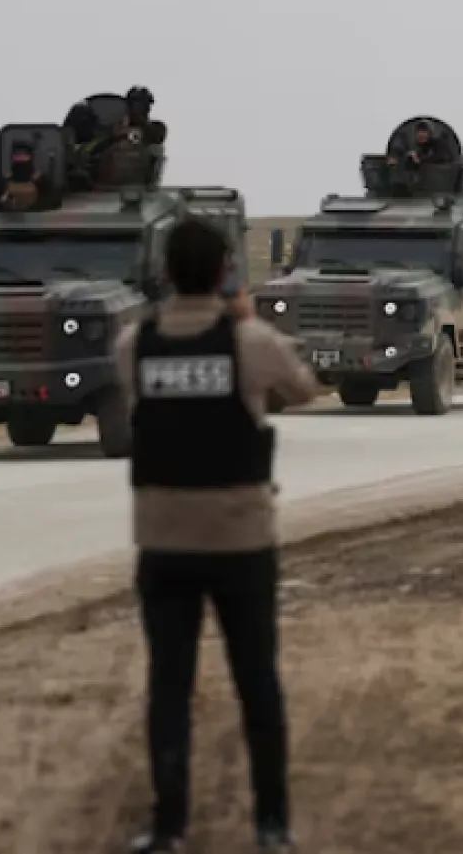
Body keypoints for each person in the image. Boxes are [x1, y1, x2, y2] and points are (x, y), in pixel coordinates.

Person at [115, 218, 317, 854]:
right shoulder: (249, 340)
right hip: (239, 539)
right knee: (257, 681)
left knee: (169, 686)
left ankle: (169, 825)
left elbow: (141, 406)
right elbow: (304, 389)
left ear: (167, 272)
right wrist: (247, 319)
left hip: (164, 539)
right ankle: (273, 825)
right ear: (226, 270)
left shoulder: (134, 343)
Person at [0, 140, 59, 212]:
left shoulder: (41, 180)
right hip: (8, 223)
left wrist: (33, 208)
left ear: (30, 157)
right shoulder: (2, 180)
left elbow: (55, 200)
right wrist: (1, 205)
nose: (21, 158)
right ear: (12, 158)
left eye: (24, 155)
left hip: (35, 224)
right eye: (17, 156)